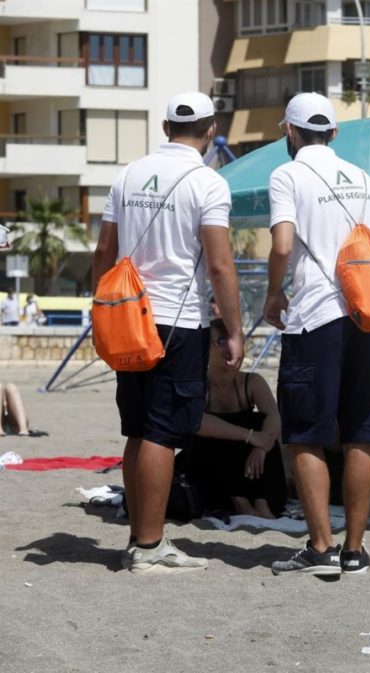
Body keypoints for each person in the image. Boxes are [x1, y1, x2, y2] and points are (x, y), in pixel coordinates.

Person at [92, 91, 243, 574]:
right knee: (162, 433)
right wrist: (235, 329)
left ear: (164, 128)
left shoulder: (128, 174)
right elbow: (220, 264)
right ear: (211, 129)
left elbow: (104, 253)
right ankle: (152, 548)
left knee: (138, 430)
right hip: (177, 320)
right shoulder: (208, 182)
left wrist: (103, 305)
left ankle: (139, 537)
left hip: (128, 314)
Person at [264, 92, 370, 576]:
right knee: (362, 432)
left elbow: (282, 243)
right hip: (367, 317)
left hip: (315, 316)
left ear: (290, 131)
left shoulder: (287, 175)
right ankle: (355, 551)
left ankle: (320, 547)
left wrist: (273, 292)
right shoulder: (364, 179)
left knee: (305, 434)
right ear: (335, 133)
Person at [187, 318, 286, 518]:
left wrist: (261, 444)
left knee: (263, 425)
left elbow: (274, 415)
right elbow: (198, 422)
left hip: (248, 467)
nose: (229, 347)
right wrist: (249, 436)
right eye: (221, 340)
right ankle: (240, 501)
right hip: (211, 466)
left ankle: (262, 500)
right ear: (205, 348)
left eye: (233, 340)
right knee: (214, 436)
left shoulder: (252, 382)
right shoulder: (198, 383)